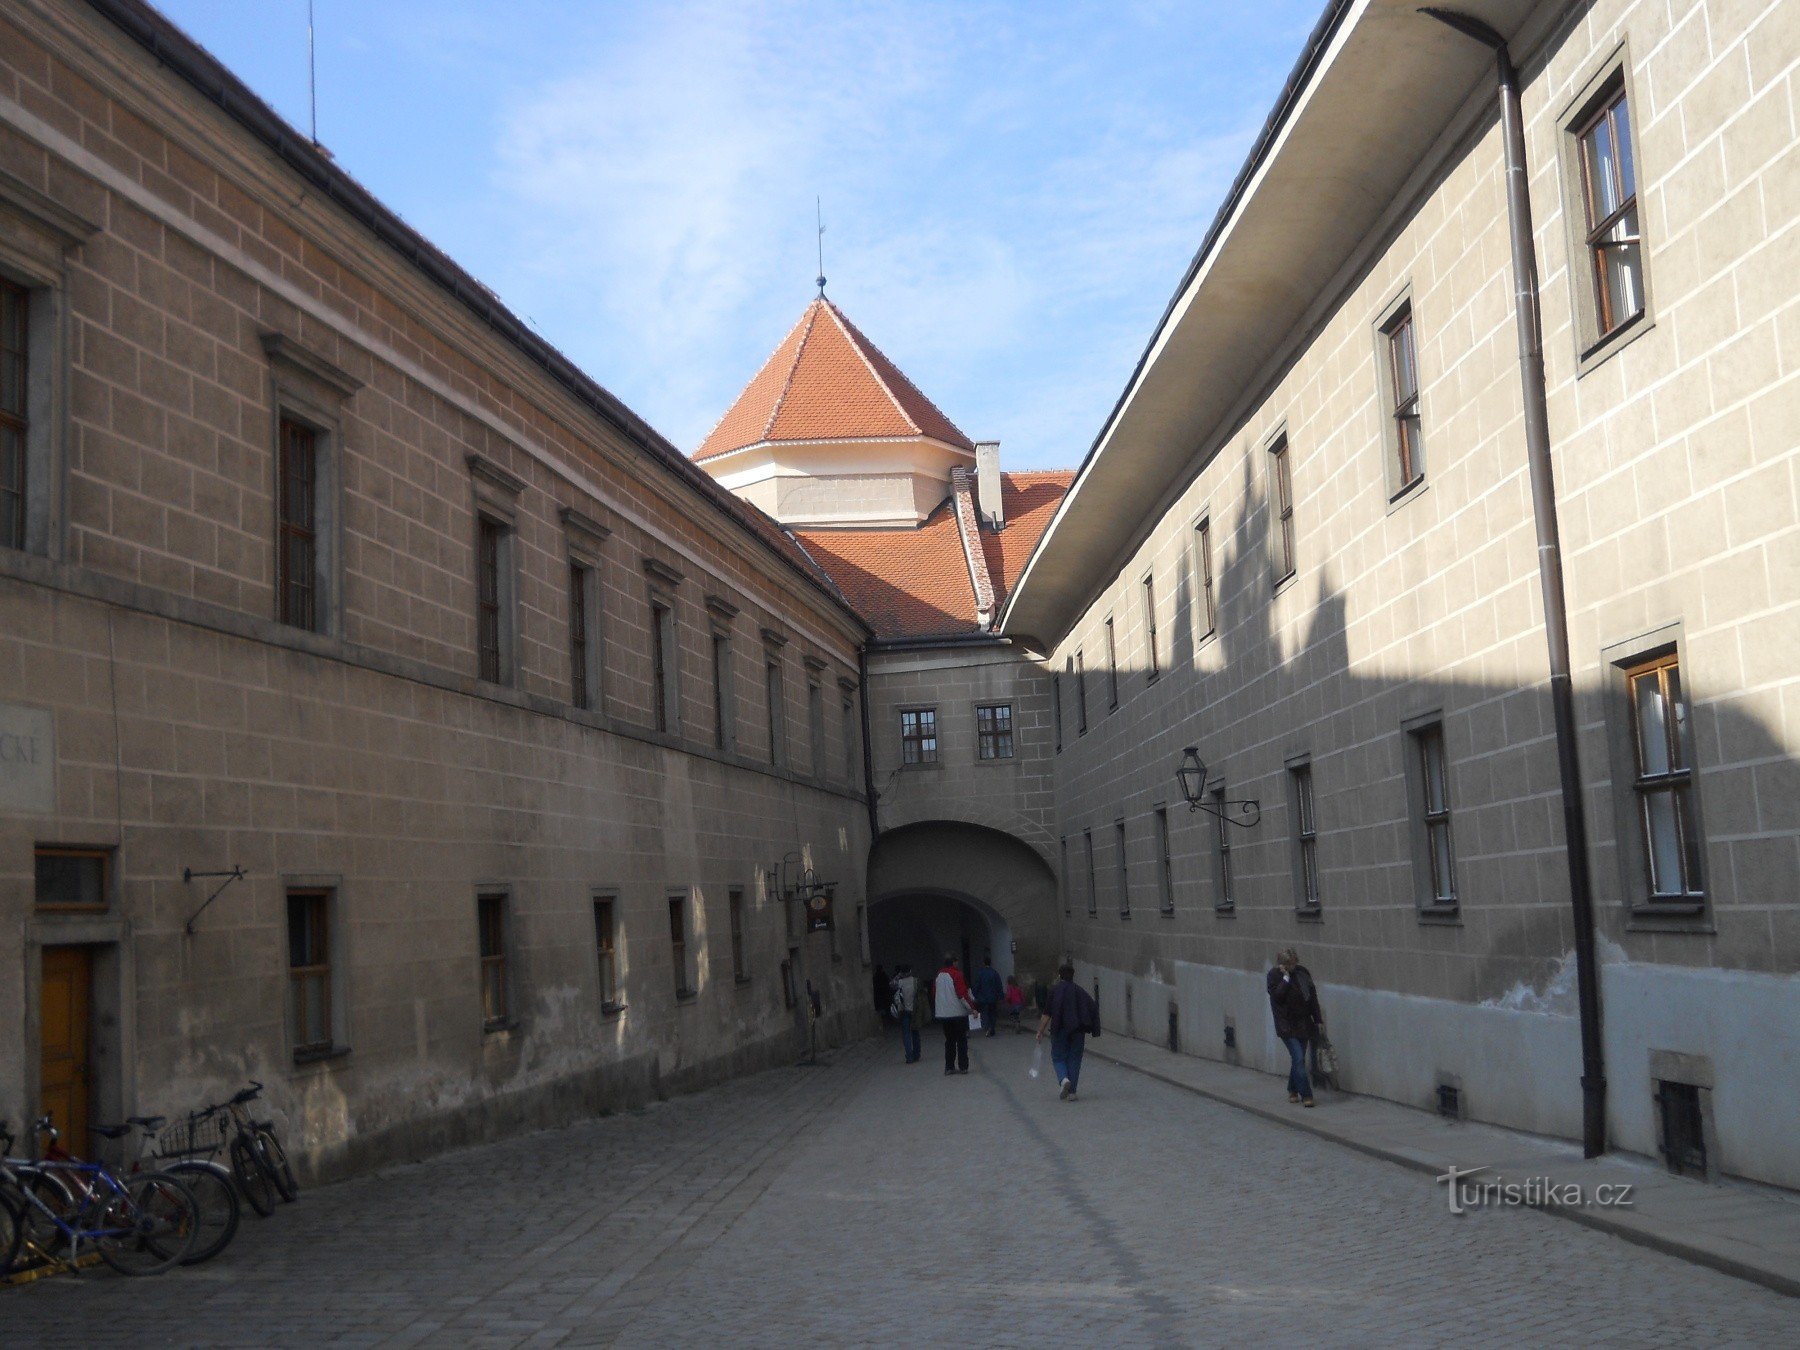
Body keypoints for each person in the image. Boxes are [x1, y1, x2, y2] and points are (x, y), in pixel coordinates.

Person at [1267, 947, 1324, 1107]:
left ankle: (1292, 1089)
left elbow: (1312, 998)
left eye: (1294, 963)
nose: (1293, 966)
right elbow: (1277, 997)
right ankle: (1307, 1095)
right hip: (1286, 1026)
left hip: (1304, 1023)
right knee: (1299, 1058)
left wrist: (1318, 1019)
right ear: (1283, 964)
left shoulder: (1302, 973)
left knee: (1297, 1060)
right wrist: (1285, 978)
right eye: (1289, 964)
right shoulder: (1274, 976)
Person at [1036, 963, 1098, 1101]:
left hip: (1059, 1029)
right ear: (1073, 975)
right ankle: (1072, 1092)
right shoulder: (1079, 991)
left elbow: (1047, 1014)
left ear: (1060, 975)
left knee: (1058, 1057)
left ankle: (1063, 1079)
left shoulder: (1054, 991)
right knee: (1074, 1059)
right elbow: (1092, 1006)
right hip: (1077, 1030)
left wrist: (1040, 1030)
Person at [934, 953, 975, 1075]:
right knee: (961, 1040)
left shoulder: (938, 975)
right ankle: (963, 1066)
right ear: (954, 963)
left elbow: (934, 993)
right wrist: (973, 1009)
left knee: (949, 1041)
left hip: (944, 1014)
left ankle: (949, 1066)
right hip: (957, 1013)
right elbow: (962, 994)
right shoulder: (957, 974)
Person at [890, 964, 920, 1063]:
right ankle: (917, 1053)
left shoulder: (900, 982)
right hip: (914, 1010)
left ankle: (909, 1056)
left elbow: (891, 984)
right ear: (911, 970)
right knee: (915, 1032)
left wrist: (898, 975)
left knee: (906, 1034)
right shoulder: (915, 981)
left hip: (903, 1010)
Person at [971, 956, 1003, 1038]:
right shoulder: (995, 973)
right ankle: (992, 1028)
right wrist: (1000, 996)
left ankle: (987, 1028)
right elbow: (999, 985)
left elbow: (976, 986)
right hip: (993, 997)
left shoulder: (980, 973)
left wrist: (975, 995)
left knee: (985, 1013)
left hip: (983, 998)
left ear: (983, 963)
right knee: (992, 1013)